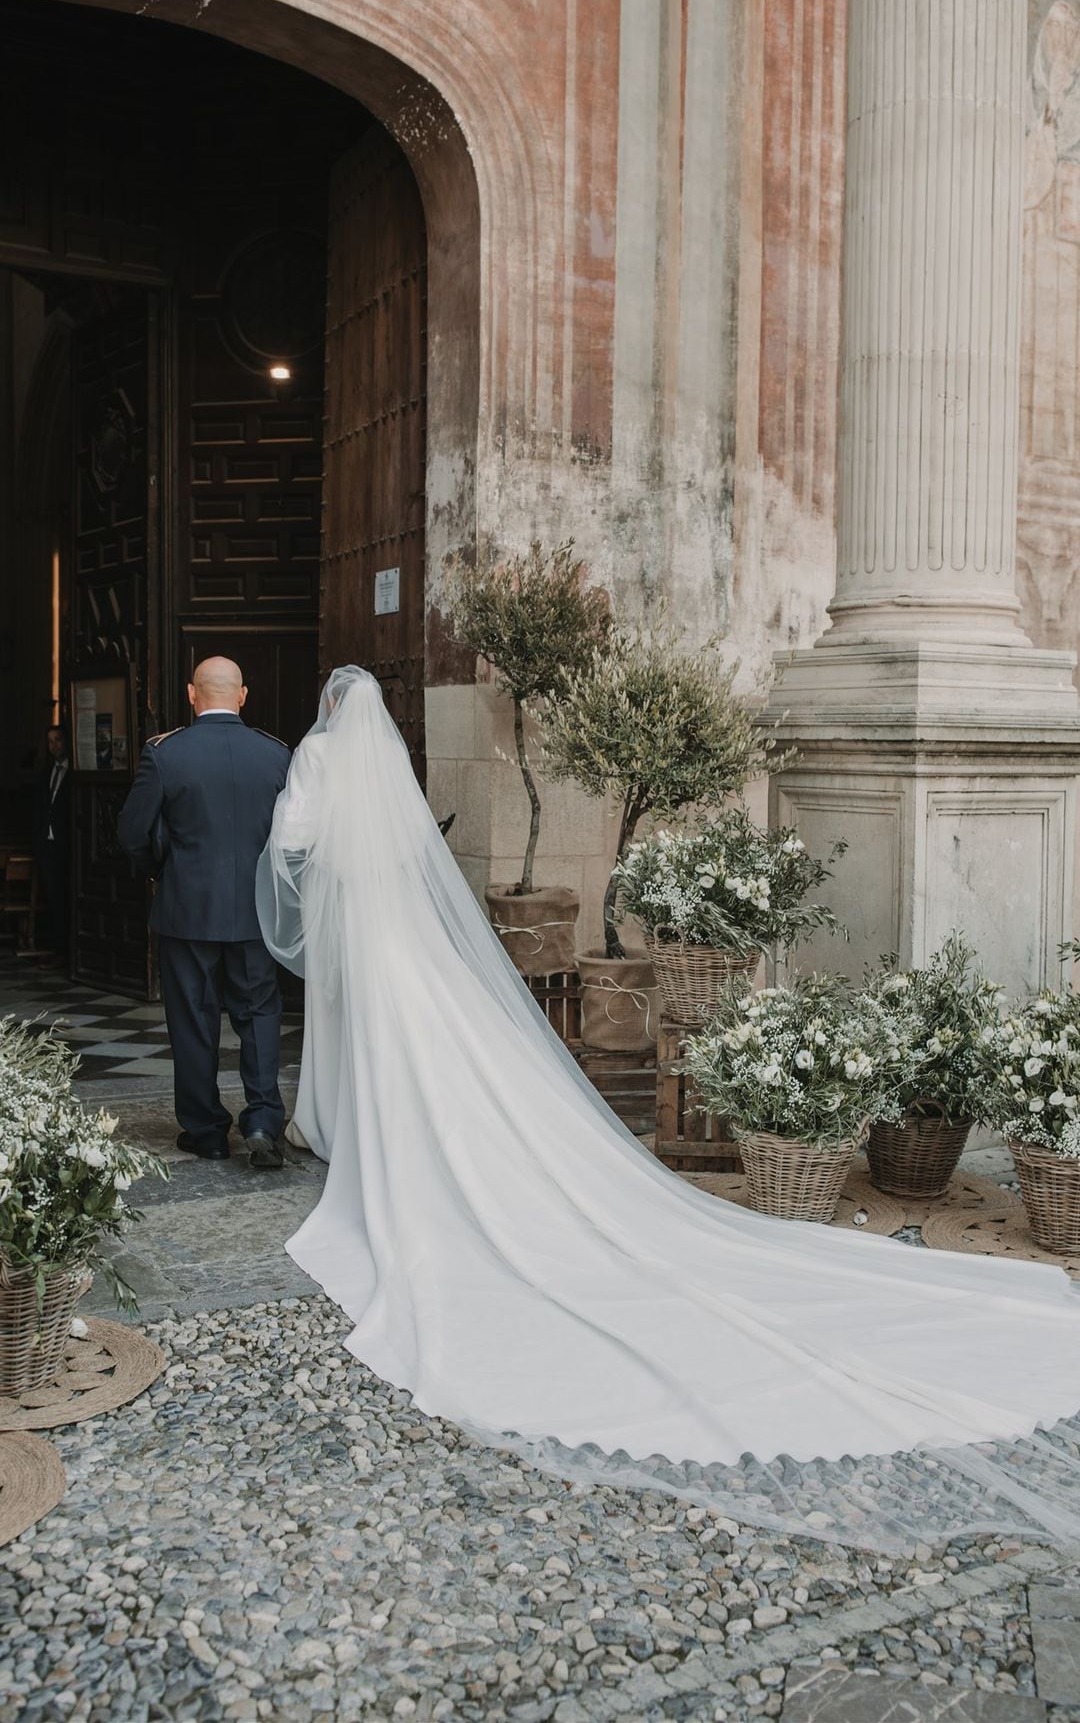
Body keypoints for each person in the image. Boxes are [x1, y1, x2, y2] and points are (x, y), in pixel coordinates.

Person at [256, 667, 1080, 1551]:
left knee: (382, 1043)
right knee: (432, 1041)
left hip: (360, 929)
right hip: (400, 933)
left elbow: (295, 840)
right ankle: (407, 1136)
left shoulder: (315, 754)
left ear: (329, 711)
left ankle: (377, 1142)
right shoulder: (383, 768)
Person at [119, 657, 291, 1168]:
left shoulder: (165, 754)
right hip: (257, 912)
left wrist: (162, 871)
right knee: (259, 1014)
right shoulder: (277, 754)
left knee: (193, 1020)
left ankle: (207, 1131)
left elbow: (130, 833)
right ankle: (262, 1120)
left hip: (187, 911)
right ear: (242, 696)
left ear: (192, 694)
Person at [33, 724, 71, 961]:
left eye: (57, 740)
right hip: (46, 843)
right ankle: (57, 947)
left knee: (65, 896)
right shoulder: (46, 773)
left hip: (65, 844)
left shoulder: (73, 773)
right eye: (49, 741)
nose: (54, 745)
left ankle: (67, 950)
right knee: (52, 897)